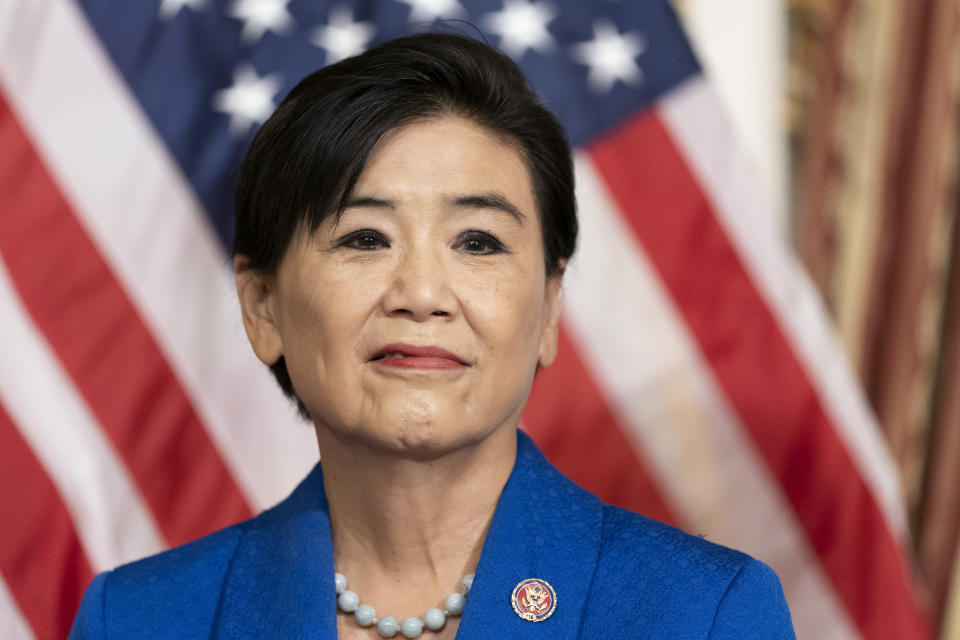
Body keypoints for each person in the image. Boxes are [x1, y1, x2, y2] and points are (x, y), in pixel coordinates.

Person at [69, 33, 795, 639]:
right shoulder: (135, 620)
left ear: (547, 307)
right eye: (362, 238)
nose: (421, 294)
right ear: (263, 308)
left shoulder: (703, 615)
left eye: (477, 241)